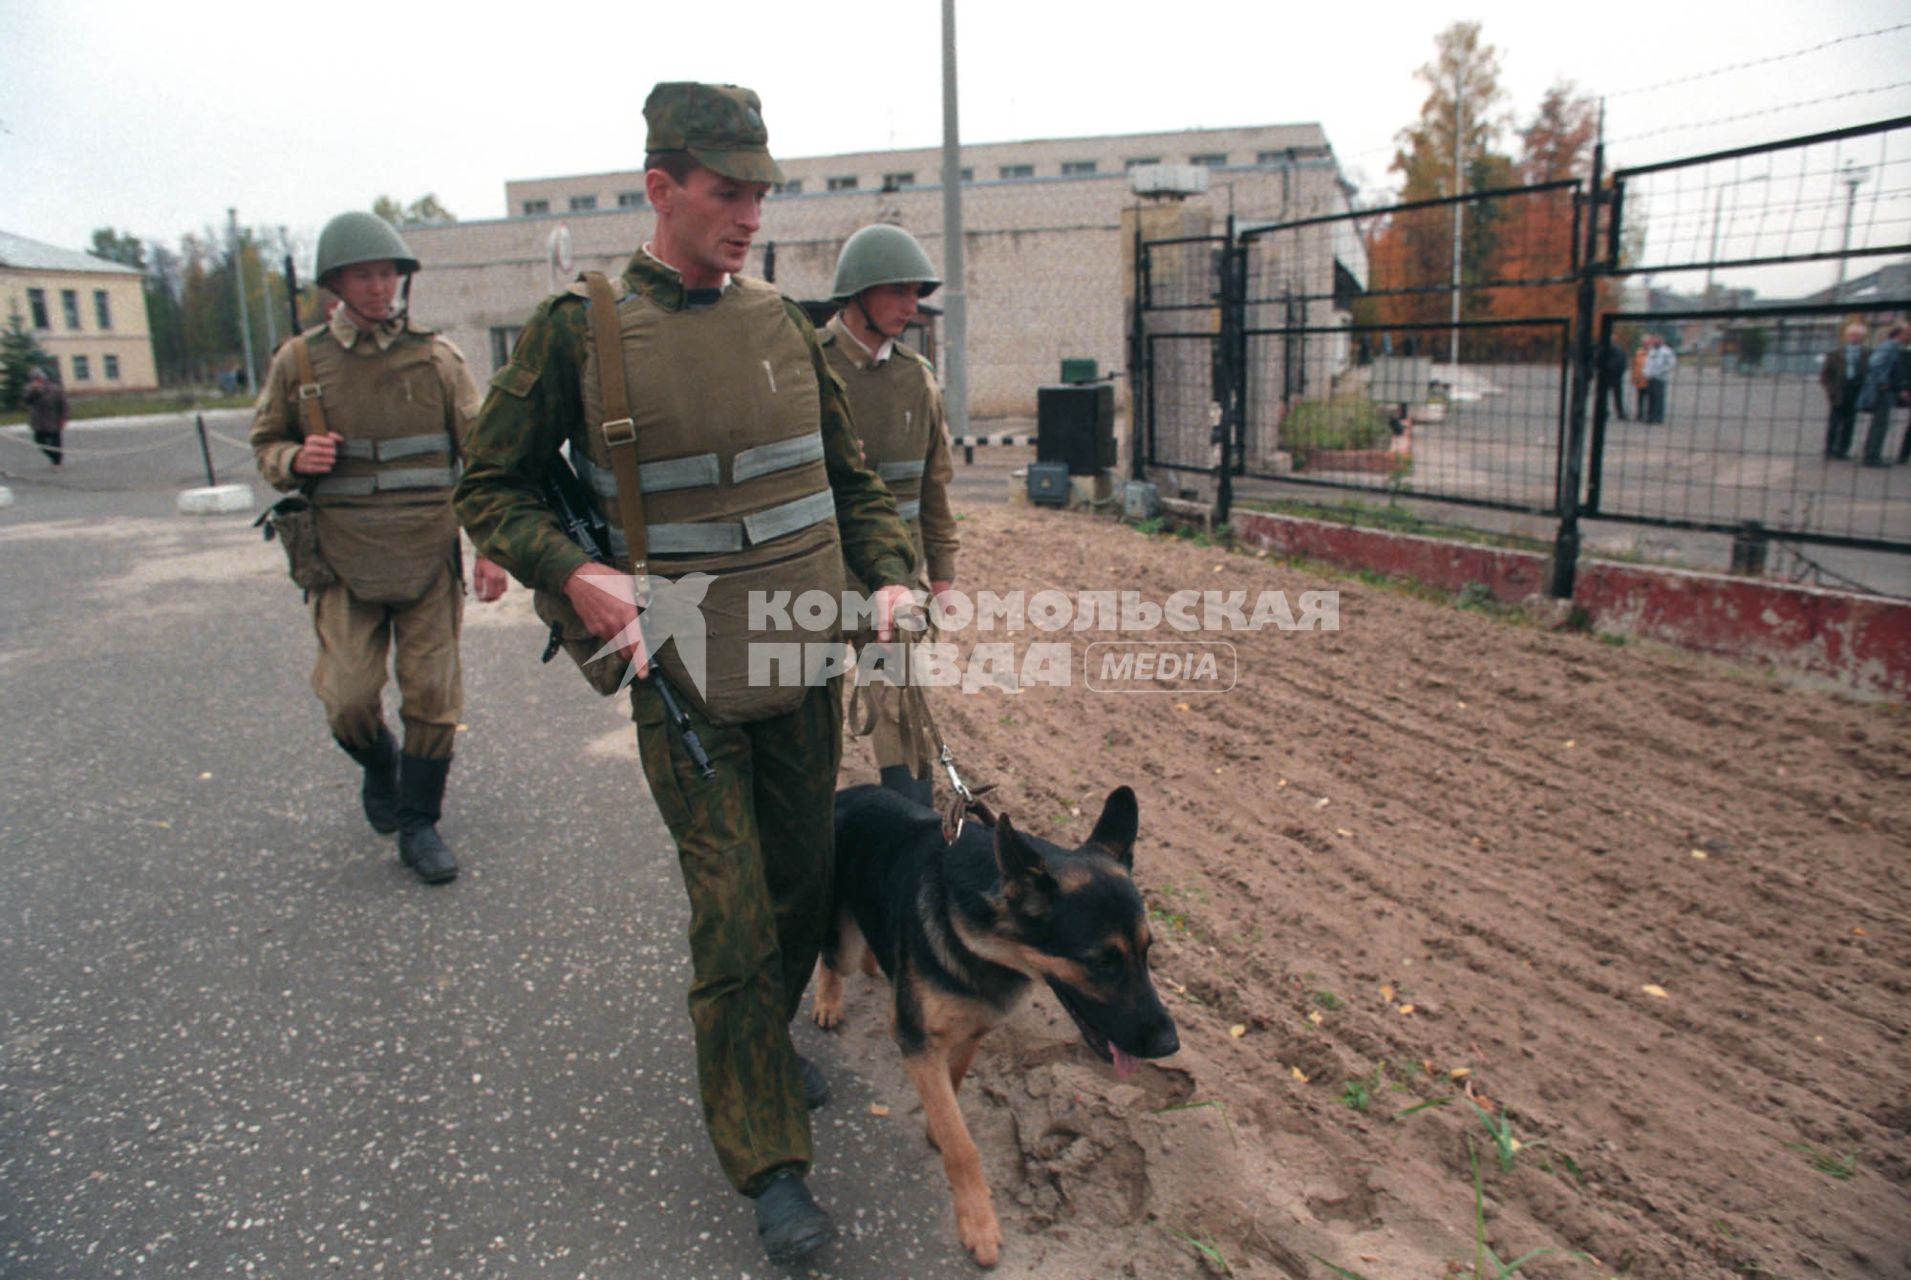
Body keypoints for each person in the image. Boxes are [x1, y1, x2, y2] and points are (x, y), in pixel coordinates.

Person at [453, 82, 916, 1266]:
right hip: (684, 680)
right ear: (661, 187)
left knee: (803, 885)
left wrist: (893, 573)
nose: (751, 212)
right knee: (731, 919)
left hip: (804, 662)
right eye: (728, 190)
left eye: (762, 190)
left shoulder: (785, 325)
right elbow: (488, 488)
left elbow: (849, 480)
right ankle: (770, 1166)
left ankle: (755, 1052)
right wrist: (580, 575)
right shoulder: (582, 327)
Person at [250, 211, 507, 886]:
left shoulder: (438, 358)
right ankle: (376, 765)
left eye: (388, 273)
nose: (378, 287)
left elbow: (482, 462)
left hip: (426, 555)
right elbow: (264, 445)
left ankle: (419, 821)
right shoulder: (299, 363)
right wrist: (293, 457)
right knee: (348, 698)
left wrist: (489, 549)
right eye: (363, 274)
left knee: (431, 694)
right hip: (341, 557)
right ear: (334, 283)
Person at [821, 224, 959, 806]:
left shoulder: (916, 377)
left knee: (902, 716)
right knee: (808, 712)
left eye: (916, 292)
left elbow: (936, 485)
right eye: (898, 291)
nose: (912, 305)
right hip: (820, 572)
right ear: (858, 294)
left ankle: (910, 836)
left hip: (896, 580)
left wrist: (944, 574)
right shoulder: (808, 367)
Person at [1856, 319, 1907, 468]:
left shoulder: (1895, 347)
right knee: (1880, 423)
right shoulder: (1889, 347)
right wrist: (1883, 383)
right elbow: (1875, 363)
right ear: (1898, 334)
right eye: (1905, 334)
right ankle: (1872, 455)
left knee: (1881, 424)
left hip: (1887, 389)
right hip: (1882, 391)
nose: (1907, 336)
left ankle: (1872, 453)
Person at [1819, 321, 1870, 460]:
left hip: (1856, 390)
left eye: (1858, 335)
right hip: (1839, 390)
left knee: (1850, 423)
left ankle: (1843, 450)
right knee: (1834, 422)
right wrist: (1830, 390)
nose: (1855, 337)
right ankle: (1829, 449)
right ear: (1847, 336)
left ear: (1862, 337)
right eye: (1852, 335)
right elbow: (1825, 374)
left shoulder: (1867, 353)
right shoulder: (1835, 353)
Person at [23, 368, 67, 465]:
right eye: (34, 379)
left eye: (38, 378)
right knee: (39, 441)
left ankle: (57, 461)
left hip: (53, 420)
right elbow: (27, 401)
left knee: (56, 443)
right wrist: (35, 391)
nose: (36, 381)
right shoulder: (30, 389)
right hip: (38, 421)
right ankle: (53, 457)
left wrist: (63, 418)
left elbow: (63, 404)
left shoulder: (55, 389)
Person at [1642, 334, 1677, 425]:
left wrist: (1662, 371)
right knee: (1650, 398)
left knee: (1658, 398)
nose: (1656, 342)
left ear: (1662, 341)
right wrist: (1645, 372)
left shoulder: (1667, 351)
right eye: (1654, 340)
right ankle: (1650, 416)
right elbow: (1648, 362)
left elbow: (1671, 364)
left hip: (1660, 378)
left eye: (1658, 340)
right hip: (1650, 377)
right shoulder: (1652, 350)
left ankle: (1658, 418)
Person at [1598, 337, 1629, 422]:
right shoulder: (1605, 351)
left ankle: (1619, 412)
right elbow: (1598, 362)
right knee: (1606, 396)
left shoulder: (1618, 351)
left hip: (1614, 377)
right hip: (1608, 377)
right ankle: (1607, 412)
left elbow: (1623, 364)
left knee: (1616, 396)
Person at [1630, 338, 1650, 420]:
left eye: (1647, 343)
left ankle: (1648, 414)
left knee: (1649, 399)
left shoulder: (1652, 353)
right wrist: (1633, 377)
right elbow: (1634, 366)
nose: (1645, 344)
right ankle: (1639, 414)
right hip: (1640, 380)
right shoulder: (1638, 352)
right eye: (1644, 343)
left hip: (1649, 380)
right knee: (1640, 399)